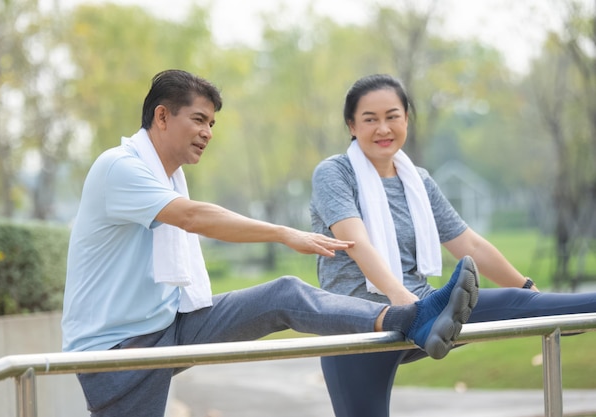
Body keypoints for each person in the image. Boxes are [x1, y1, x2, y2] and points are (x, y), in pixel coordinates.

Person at [61, 69, 480, 417]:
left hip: (168, 326)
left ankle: (411, 318)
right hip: (118, 350)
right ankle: (415, 317)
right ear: (163, 116)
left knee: (284, 294)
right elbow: (192, 218)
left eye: (212, 124)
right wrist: (283, 232)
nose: (208, 132)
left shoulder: (166, 175)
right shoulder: (120, 168)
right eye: (199, 119)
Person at [310, 73, 596, 417]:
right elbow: (356, 242)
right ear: (351, 126)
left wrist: (529, 291)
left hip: (427, 312)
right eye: (370, 119)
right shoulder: (334, 174)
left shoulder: (419, 181)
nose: (383, 128)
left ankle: (576, 311)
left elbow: (469, 244)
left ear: (406, 120)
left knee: (517, 302)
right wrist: (406, 305)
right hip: (357, 320)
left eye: (392, 117)